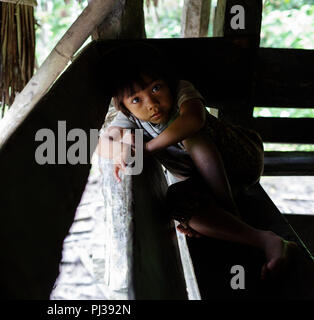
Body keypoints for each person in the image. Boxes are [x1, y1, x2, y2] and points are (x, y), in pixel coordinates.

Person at [96, 44, 297, 280]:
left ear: (167, 81)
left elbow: (193, 120)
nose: (151, 102)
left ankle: (229, 210)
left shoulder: (182, 91)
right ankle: (265, 240)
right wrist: (121, 147)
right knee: (177, 203)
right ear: (126, 107)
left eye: (156, 88)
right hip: (208, 181)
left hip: (242, 158)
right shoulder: (130, 118)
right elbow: (102, 144)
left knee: (191, 136)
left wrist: (147, 148)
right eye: (137, 99)